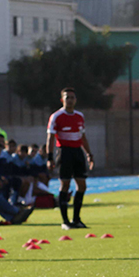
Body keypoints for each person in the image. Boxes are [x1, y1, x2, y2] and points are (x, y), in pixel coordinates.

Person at [45, 88, 95, 229]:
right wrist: (50, 157)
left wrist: (89, 154)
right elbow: (50, 138)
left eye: (72, 97)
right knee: (65, 185)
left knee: (82, 186)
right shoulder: (56, 116)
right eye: (67, 97)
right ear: (62, 100)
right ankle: (65, 221)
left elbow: (83, 137)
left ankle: (77, 219)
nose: (70, 100)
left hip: (78, 153)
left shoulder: (80, 116)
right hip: (64, 153)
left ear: (76, 100)